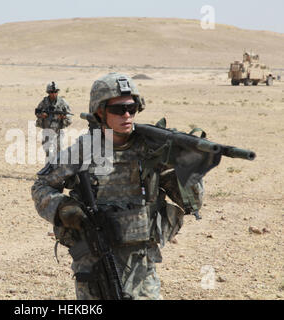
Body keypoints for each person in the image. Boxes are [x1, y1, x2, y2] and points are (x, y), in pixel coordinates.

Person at [31, 73, 204, 300]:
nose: (126, 115)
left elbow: (193, 203)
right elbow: (41, 186)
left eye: (131, 109)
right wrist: (64, 209)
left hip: (141, 264)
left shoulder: (153, 152)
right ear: (100, 112)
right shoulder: (83, 151)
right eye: (118, 110)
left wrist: (184, 166)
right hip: (94, 263)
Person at [35, 82, 72, 161]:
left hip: (58, 130)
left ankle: (58, 167)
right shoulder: (44, 102)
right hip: (47, 130)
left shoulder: (62, 102)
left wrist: (63, 117)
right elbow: (37, 112)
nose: (54, 94)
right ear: (48, 92)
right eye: (51, 92)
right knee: (47, 150)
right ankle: (49, 165)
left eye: (55, 92)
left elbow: (69, 116)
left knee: (59, 150)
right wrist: (42, 115)